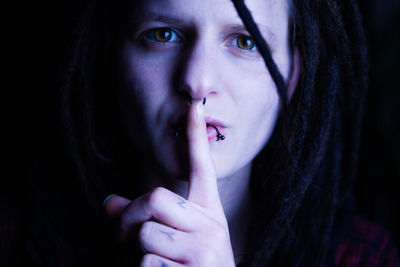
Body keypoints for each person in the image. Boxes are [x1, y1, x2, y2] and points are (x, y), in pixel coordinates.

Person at [2, 0, 399, 266]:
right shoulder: (16, 241)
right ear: (113, 61)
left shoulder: (361, 257)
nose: (197, 80)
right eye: (163, 35)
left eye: (246, 42)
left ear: (292, 76)